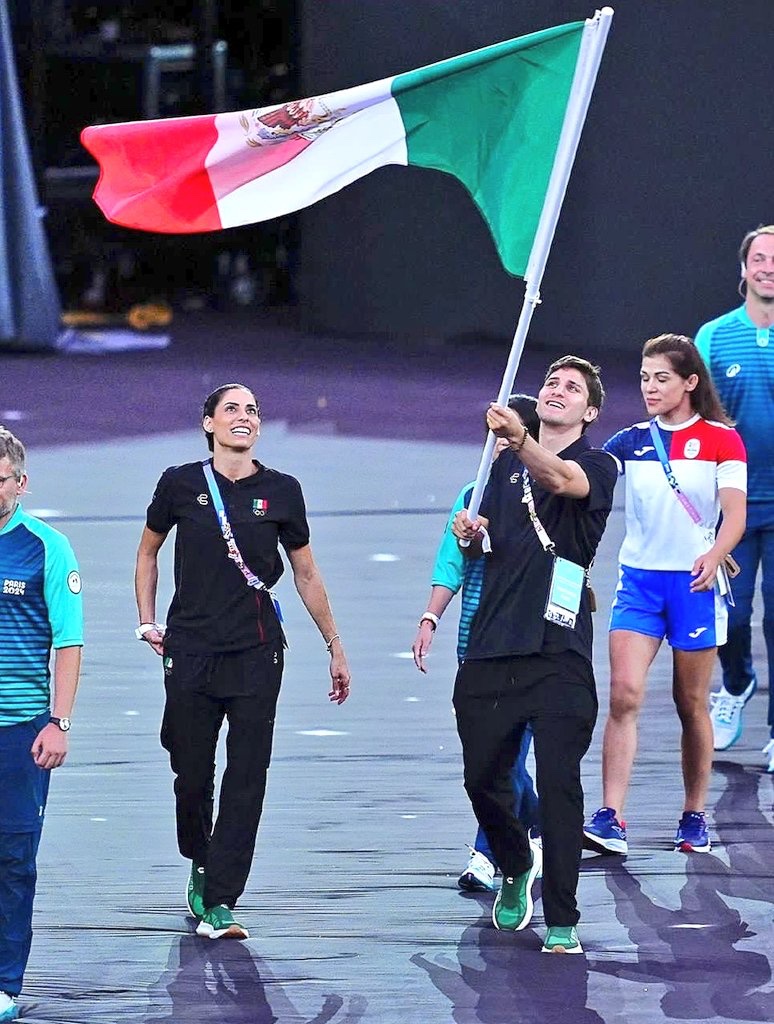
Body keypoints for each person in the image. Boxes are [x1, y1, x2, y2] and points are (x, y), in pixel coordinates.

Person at [134, 383, 350, 941]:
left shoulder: (282, 491)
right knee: (190, 768)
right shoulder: (180, 483)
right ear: (208, 422)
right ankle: (199, 856)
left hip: (257, 651)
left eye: (252, 411)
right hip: (190, 648)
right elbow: (148, 551)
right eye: (231, 409)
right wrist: (146, 618)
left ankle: (221, 896)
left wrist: (334, 644)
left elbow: (305, 571)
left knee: (248, 772)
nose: (244, 418)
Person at [451, 356, 616, 955]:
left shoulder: (598, 464)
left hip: (558, 650)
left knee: (559, 780)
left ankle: (564, 919)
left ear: (589, 412)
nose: (557, 390)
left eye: (572, 388)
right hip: (494, 643)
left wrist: (519, 439)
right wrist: (476, 533)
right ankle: (516, 861)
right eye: (551, 382)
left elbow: (561, 482)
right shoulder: (500, 468)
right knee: (482, 777)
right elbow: (497, 537)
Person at [583, 334, 747, 859]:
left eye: (661, 378)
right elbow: (580, 481)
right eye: (644, 378)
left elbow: (735, 514)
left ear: (689, 383)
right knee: (624, 694)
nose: (650, 388)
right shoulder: (629, 442)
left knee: (689, 703)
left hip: (695, 585)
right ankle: (610, 815)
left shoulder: (722, 440)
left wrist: (715, 553)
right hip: (640, 583)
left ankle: (694, 811)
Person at [412, 396, 542, 893]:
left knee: (508, 760)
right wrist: (430, 617)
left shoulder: (548, 489)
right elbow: (453, 562)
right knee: (489, 761)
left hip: (534, 645)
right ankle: (543, 824)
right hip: (478, 645)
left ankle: (491, 853)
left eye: (502, 434)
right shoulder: (474, 493)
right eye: (489, 435)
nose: (492, 445)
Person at [0, 428, 83, 1023]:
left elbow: (69, 642)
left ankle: (4, 982)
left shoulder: (47, 548)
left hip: (19, 729)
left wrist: (59, 721)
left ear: (20, 484)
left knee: (12, 856)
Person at [694, 225, 774, 767]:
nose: (770, 267)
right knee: (732, 613)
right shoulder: (714, 337)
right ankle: (738, 682)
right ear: (744, 269)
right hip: (735, 505)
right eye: (761, 259)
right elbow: (692, 414)